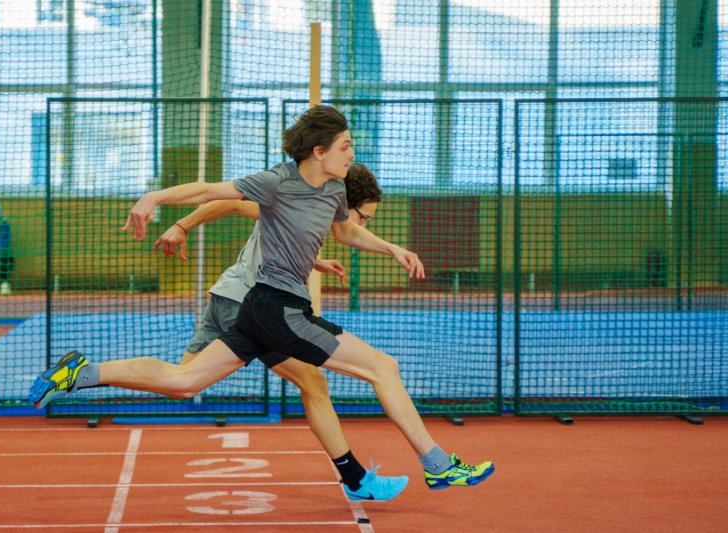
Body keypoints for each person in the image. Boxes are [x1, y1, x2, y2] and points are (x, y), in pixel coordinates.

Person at [30, 105, 494, 492]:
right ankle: (437, 465)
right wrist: (156, 197)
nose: (352, 154)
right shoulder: (277, 182)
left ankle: (80, 372)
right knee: (383, 367)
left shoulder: (335, 188)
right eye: (346, 145)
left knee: (184, 382)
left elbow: (345, 231)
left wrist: (391, 248)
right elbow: (212, 190)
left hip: (259, 309)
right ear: (319, 151)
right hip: (278, 310)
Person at [150, 163, 400, 501]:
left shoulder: (307, 217)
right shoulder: (295, 201)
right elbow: (230, 202)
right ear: (343, 203)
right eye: (363, 217)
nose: (363, 225)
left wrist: (316, 263)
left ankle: (89, 374)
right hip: (249, 304)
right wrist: (182, 225)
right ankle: (356, 480)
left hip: (226, 295)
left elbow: (274, 241)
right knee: (313, 382)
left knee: (179, 382)